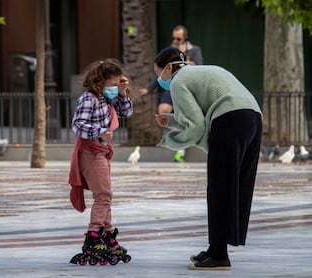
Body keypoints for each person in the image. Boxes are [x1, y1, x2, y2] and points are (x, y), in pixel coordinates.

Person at [154, 47, 262, 270]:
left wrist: (170, 141)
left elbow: (195, 127)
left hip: (229, 120)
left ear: (169, 68)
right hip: (252, 117)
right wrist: (172, 121)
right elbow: (199, 114)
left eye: (159, 74)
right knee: (236, 185)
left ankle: (220, 256)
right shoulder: (202, 71)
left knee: (219, 188)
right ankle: (216, 249)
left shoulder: (178, 81)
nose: (160, 80)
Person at [68, 59, 133, 264]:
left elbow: (126, 112)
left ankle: (107, 233)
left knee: (105, 195)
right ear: (100, 81)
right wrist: (100, 133)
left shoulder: (107, 100)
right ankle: (94, 235)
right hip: (90, 152)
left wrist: (122, 93)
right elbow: (77, 125)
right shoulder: (89, 99)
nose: (115, 87)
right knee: (103, 195)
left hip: (102, 152)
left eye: (117, 83)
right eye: (113, 84)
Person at [140, 25, 203, 161]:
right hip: (172, 85)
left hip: (186, 84)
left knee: (185, 114)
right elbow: (160, 72)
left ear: (185, 37)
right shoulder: (168, 51)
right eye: (173, 38)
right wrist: (149, 88)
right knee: (164, 110)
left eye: (178, 38)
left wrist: (183, 57)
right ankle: (176, 140)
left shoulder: (195, 50)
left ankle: (181, 149)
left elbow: (199, 66)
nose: (175, 41)